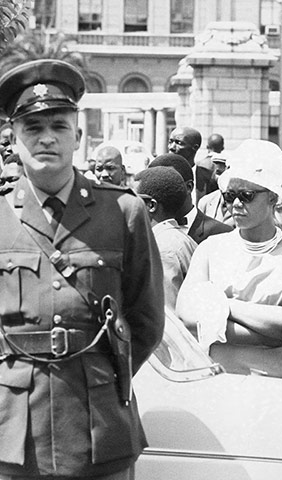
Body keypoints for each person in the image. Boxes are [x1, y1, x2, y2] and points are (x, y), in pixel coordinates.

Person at [0, 59, 164, 479]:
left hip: (99, 430)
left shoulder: (123, 211)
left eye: (58, 126)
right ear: (14, 139)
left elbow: (146, 322)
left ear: (78, 134)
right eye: (33, 129)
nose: (46, 139)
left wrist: (103, 380)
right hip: (13, 434)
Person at [177, 139, 282, 380]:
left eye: (247, 195)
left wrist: (222, 306)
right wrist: (272, 333)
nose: (236, 204)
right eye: (230, 196)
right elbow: (187, 316)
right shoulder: (211, 249)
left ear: (273, 197)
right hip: (216, 378)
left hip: (276, 383)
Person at [133, 166, 197, 309]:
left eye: (133, 199)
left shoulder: (163, 249)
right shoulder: (182, 239)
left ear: (151, 206)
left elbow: (166, 315)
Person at [148, 153, 232, 243]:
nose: (158, 193)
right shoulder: (147, 230)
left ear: (189, 187)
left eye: (167, 185)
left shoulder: (221, 233)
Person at [194, 132, 223, 202]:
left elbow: (200, 192)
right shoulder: (225, 165)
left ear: (207, 147)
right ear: (222, 148)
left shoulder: (200, 164)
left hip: (205, 205)